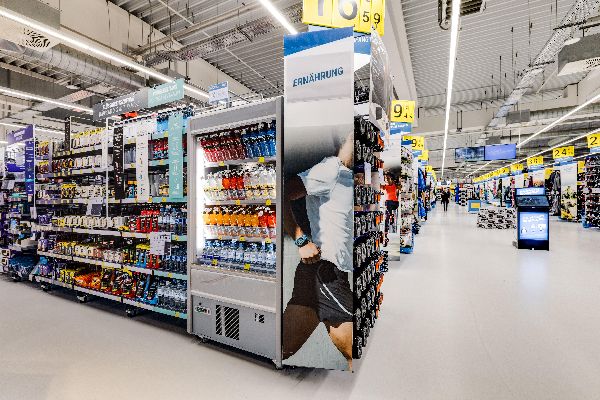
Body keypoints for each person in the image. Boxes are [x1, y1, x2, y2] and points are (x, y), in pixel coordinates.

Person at [282, 132, 354, 370]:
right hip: (326, 273)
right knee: (357, 352)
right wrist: (301, 241)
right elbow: (281, 194)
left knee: (283, 347)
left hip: (321, 273)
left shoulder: (352, 176)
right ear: (346, 139)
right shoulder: (331, 170)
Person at [381, 174, 399, 247]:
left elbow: (400, 187)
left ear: (391, 179)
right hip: (389, 205)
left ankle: (391, 216)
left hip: (394, 204)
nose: (387, 180)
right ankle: (385, 235)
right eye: (386, 179)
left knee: (387, 202)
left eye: (388, 178)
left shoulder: (395, 185)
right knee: (386, 218)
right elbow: (379, 186)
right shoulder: (385, 186)